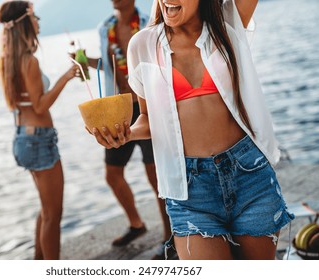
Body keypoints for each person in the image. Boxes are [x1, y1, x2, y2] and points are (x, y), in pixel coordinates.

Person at [91, 0, 295, 260]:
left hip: (249, 175)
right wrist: (127, 134)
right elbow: (147, 116)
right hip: (189, 189)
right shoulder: (142, 45)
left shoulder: (227, 23)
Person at [84, 0, 172, 258]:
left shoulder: (148, 22)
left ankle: (169, 239)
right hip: (117, 108)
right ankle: (137, 224)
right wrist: (83, 62)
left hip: (147, 106)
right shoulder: (104, 28)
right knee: (112, 174)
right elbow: (107, 61)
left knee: (156, 177)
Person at [0, 1, 77, 259]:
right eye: (35, 16)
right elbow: (40, 106)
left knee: (46, 210)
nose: (39, 22)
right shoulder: (28, 61)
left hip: (24, 138)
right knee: (54, 214)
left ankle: (38, 264)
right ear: (25, 23)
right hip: (39, 141)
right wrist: (67, 76)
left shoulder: (8, 59)